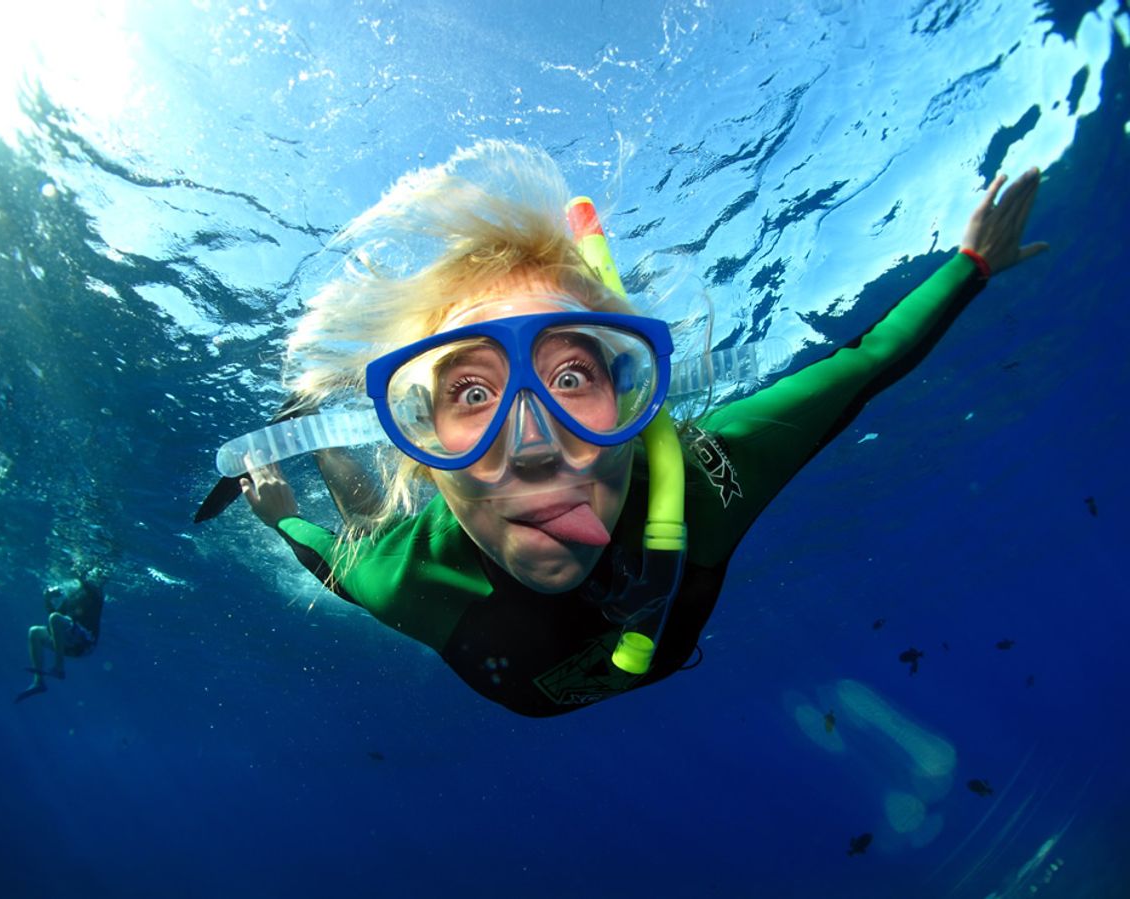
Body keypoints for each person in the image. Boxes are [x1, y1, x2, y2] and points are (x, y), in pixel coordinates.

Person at [202, 140, 1046, 717]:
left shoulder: (708, 476)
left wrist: (972, 265)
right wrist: (278, 511)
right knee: (363, 521)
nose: (534, 443)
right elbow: (330, 553)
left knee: (363, 529)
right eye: (472, 392)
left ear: (632, 392)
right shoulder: (411, 574)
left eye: (572, 376)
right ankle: (328, 428)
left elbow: (865, 363)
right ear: (422, 444)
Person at [15, 568, 106, 702]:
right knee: (35, 632)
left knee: (55, 618)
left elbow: (56, 619)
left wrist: (78, 572)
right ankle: (38, 682)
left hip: (86, 644)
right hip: (71, 644)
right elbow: (53, 624)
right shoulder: (73, 595)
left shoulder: (95, 593)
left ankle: (59, 667)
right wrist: (47, 599)